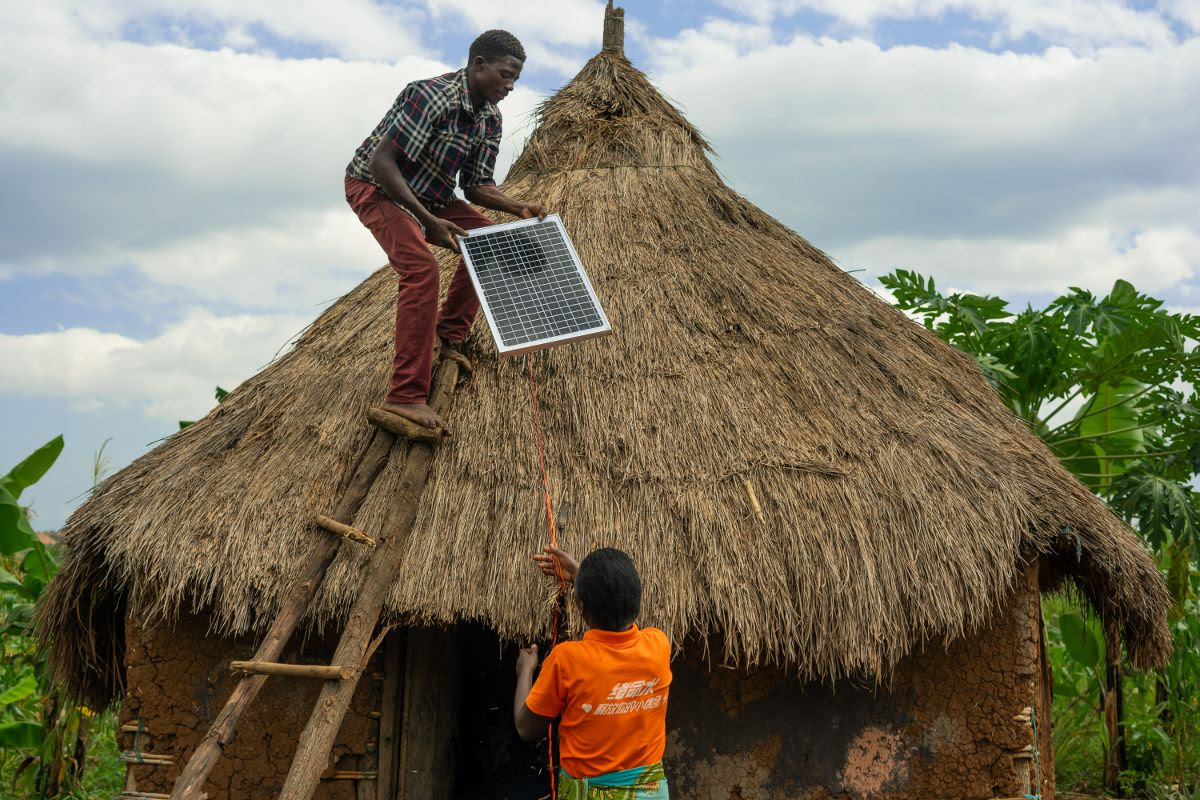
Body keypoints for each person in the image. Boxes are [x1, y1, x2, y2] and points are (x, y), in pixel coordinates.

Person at [345, 29, 545, 435]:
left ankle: (448, 336)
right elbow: (384, 165)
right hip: (377, 187)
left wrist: (515, 207)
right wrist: (428, 221)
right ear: (478, 65)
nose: (509, 86)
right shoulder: (431, 95)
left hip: (433, 195)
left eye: (515, 80)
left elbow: (475, 186)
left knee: (490, 243)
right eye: (504, 75)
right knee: (421, 269)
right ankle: (404, 395)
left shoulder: (489, 117)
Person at [514, 546, 672, 799]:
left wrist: (525, 672)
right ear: (637, 600)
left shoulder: (567, 659)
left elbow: (525, 728)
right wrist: (582, 575)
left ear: (583, 609)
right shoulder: (658, 646)